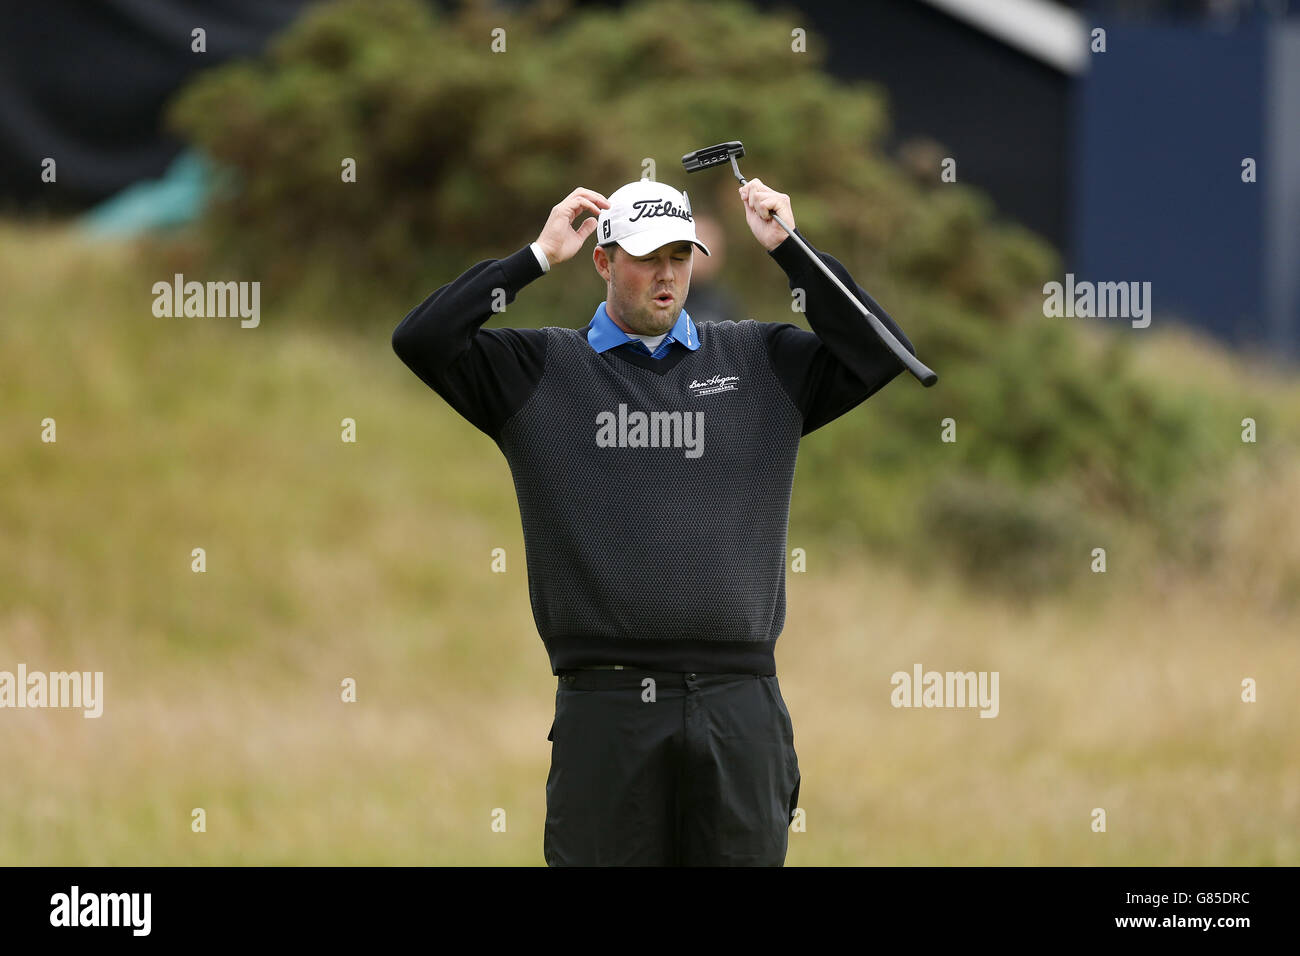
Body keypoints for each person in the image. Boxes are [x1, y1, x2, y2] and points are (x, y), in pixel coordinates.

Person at [392, 177, 917, 866]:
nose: (667, 274)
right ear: (604, 259)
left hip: (740, 709)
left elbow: (880, 351)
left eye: (680, 255)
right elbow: (422, 339)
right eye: (648, 257)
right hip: (607, 710)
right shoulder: (541, 369)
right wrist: (535, 257)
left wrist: (793, 250)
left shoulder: (760, 360)